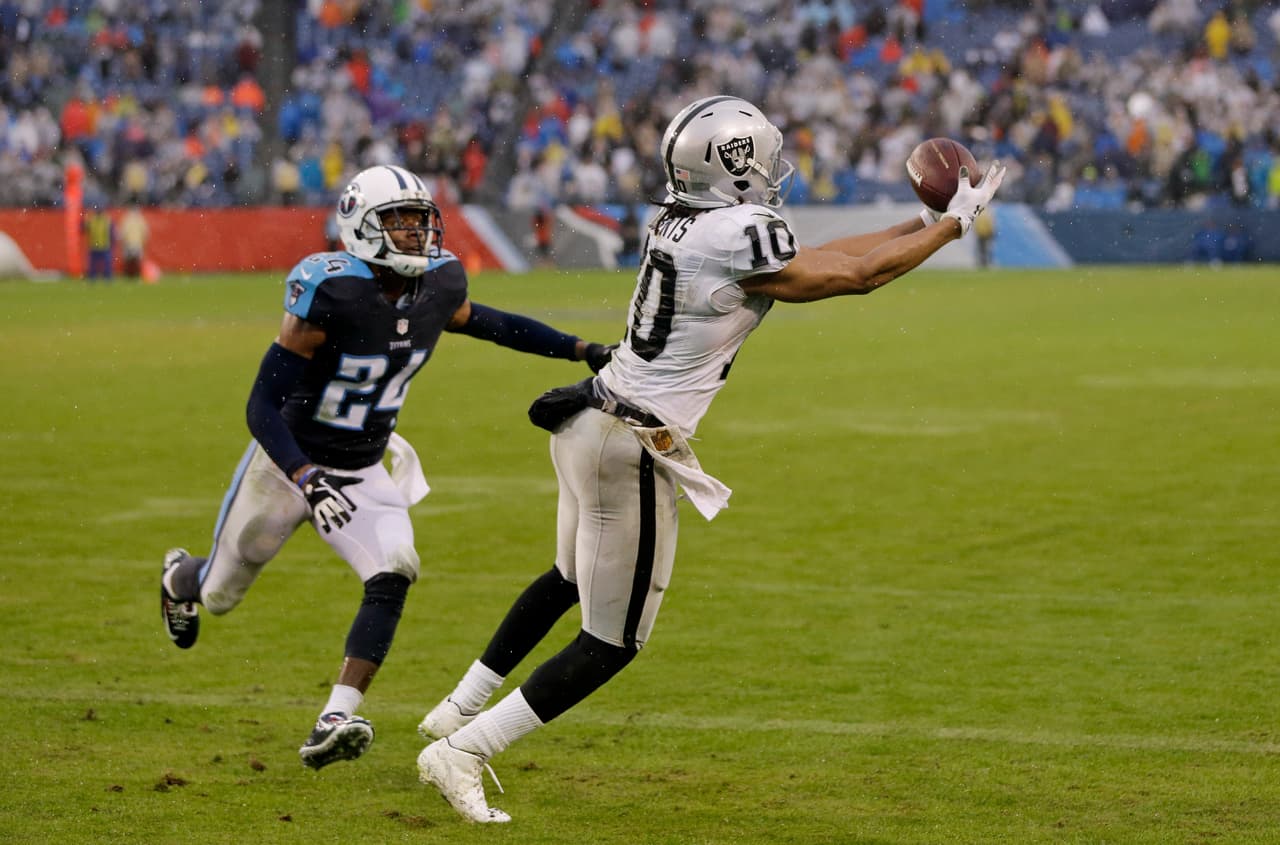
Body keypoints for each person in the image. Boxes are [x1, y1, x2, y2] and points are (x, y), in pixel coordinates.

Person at [415, 95, 1006, 823]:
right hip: (628, 442)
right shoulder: (737, 232)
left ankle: (455, 707)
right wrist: (953, 225)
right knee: (613, 640)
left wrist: (927, 224)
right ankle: (465, 748)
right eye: (760, 154)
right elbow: (855, 277)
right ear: (732, 163)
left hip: (591, 421)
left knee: (570, 577)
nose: (773, 166)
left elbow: (827, 257)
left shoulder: (685, 220)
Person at [159, 165, 615, 771]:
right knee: (218, 594)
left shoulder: (440, 284)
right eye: (399, 221)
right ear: (360, 226)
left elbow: (495, 325)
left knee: (395, 569)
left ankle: (336, 716)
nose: (416, 232)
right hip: (286, 463)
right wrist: (303, 475)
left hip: (364, 465)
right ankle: (178, 580)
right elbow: (260, 405)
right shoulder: (331, 292)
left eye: (421, 219)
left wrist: (581, 349)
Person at [83, 205, 114, 281]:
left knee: (106, 264)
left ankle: (107, 278)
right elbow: (85, 228)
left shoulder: (105, 220)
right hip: (95, 245)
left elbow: (111, 232)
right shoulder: (94, 220)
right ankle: (93, 278)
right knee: (93, 264)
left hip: (103, 245)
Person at [119, 204, 149, 280]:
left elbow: (122, 233)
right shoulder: (140, 219)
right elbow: (145, 233)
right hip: (137, 243)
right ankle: (136, 275)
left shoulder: (127, 219)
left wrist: (123, 243)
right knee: (136, 261)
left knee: (128, 261)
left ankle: (129, 275)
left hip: (129, 243)